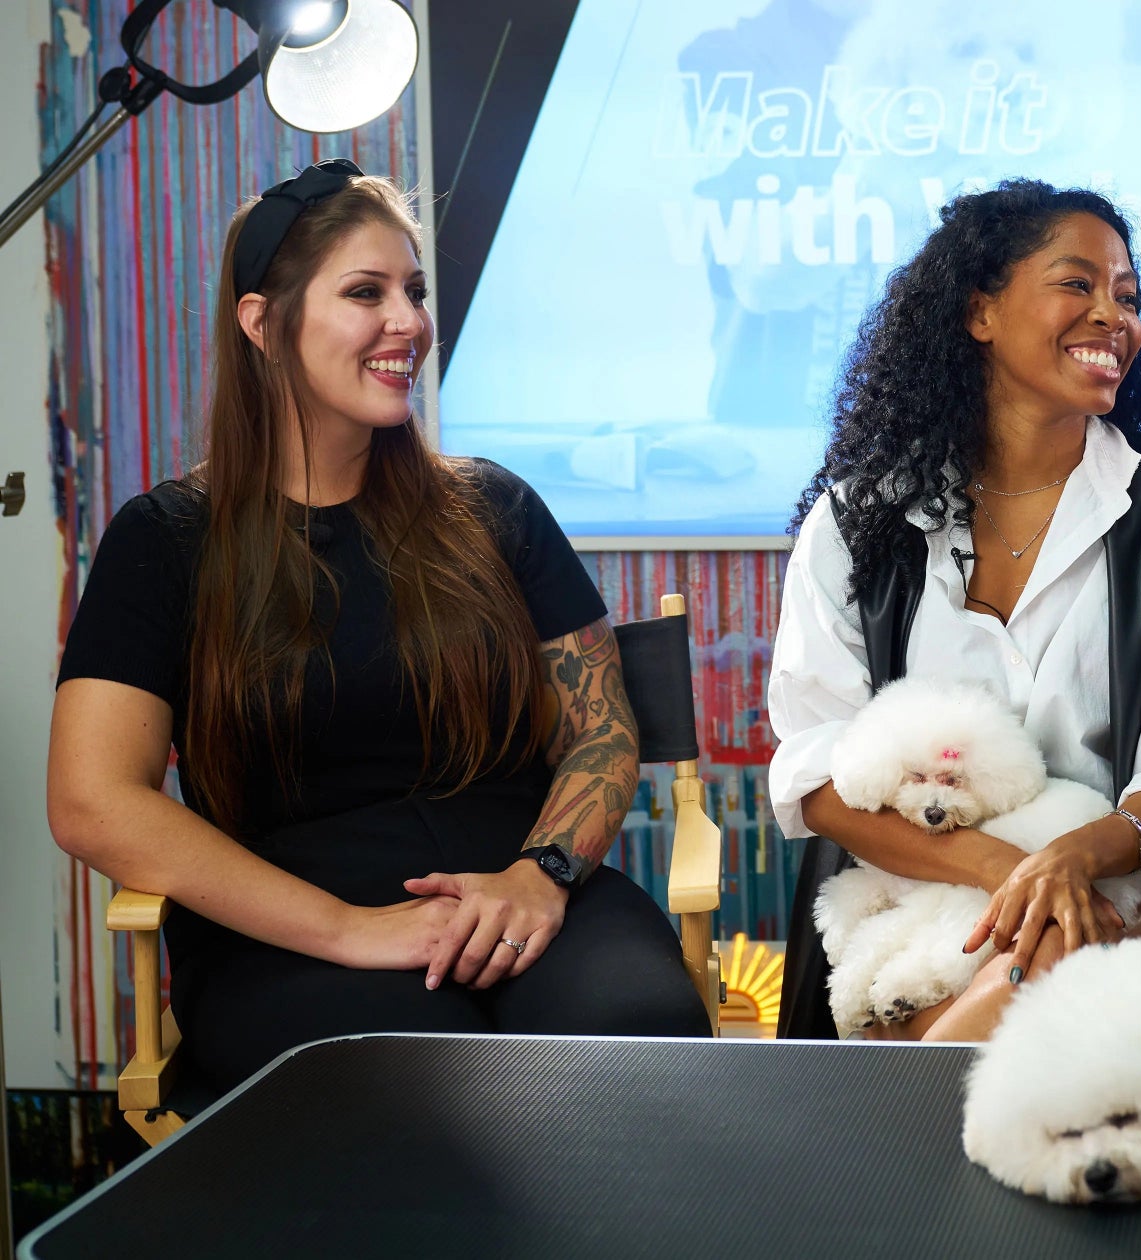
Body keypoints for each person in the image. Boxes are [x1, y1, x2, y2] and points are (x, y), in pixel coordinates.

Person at [46, 160, 711, 1093]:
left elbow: (599, 730)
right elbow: (91, 799)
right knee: (409, 1090)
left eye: (414, 291)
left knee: (633, 1033)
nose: (410, 321)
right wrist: (347, 930)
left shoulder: (495, 507)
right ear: (261, 324)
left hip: (518, 891)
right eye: (367, 292)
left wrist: (541, 876)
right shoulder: (166, 540)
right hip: (288, 926)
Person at [767, 180, 1141, 1041]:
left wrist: (1071, 860)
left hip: (1111, 896)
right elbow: (815, 775)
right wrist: (1014, 870)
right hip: (900, 908)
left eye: (1129, 298)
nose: (1114, 316)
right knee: (1039, 953)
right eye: (1078, 284)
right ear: (980, 311)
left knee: (1059, 949)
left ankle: (884, 1133)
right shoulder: (856, 519)